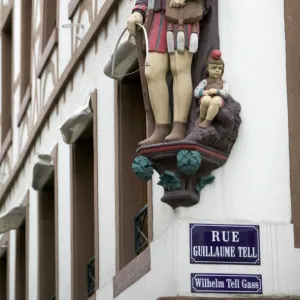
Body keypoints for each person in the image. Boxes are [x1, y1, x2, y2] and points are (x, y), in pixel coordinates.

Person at [127, 0, 202, 145]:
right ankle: (161, 127)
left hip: (182, 12)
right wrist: (139, 10)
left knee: (179, 67)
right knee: (152, 71)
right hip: (156, 13)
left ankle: (179, 126)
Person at [194, 49, 229, 128]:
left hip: (218, 100)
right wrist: (204, 92)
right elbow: (196, 92)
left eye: (219, 69)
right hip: (207, 98)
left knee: (215, 100)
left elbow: (226, 93)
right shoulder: (204, 82)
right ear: (208, 69)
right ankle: (201, 117)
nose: (217, 70)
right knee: (206, 99)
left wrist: (217, 91)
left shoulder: (224, 83)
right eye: (214, 68)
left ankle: (207, 121)